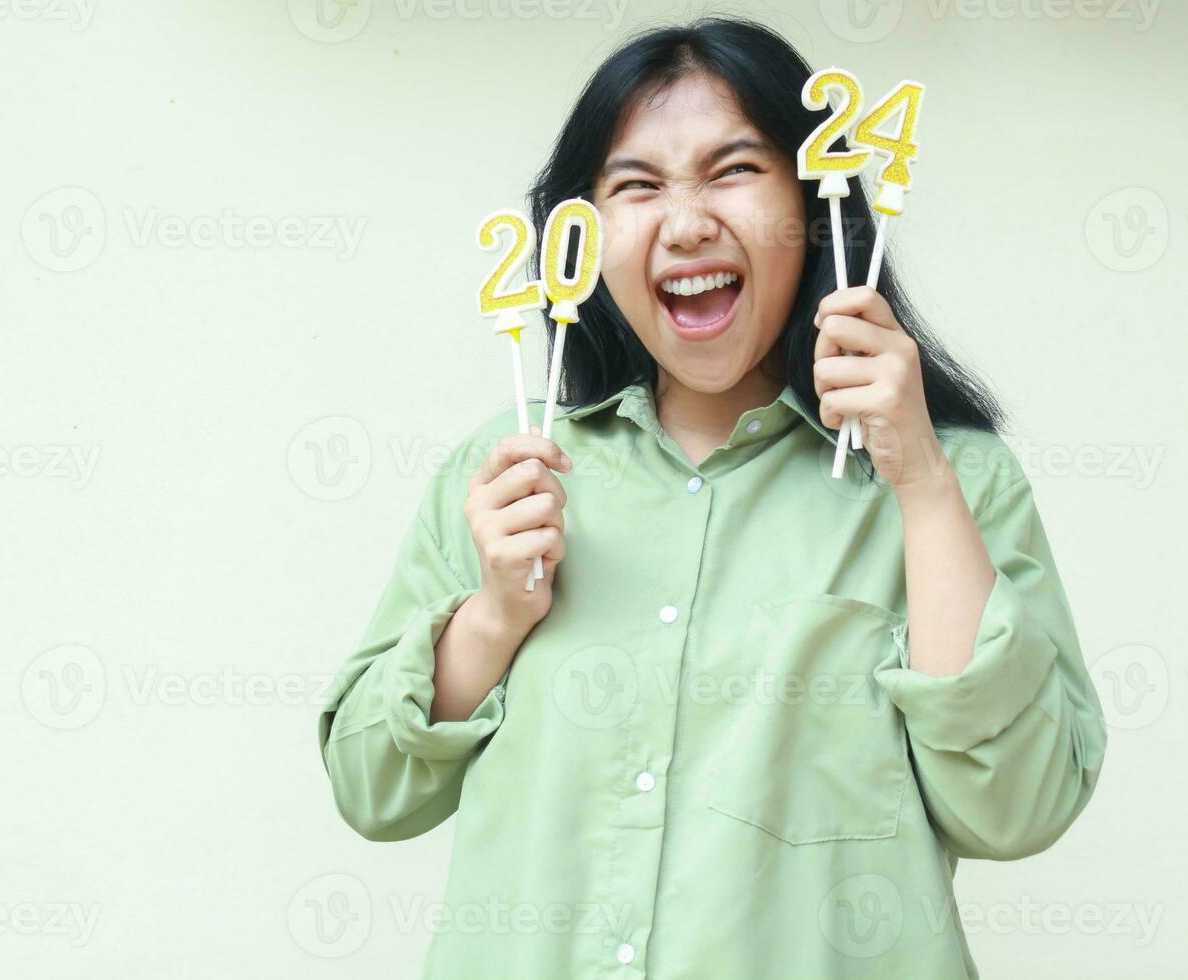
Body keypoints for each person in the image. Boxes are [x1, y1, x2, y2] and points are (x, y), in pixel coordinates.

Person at [317, 16, 1107, 979]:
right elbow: (371, 791)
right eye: (637, 186)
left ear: (814, 206)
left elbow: (1018, 810)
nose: (685, 222)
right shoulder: (507, 473)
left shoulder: (956, 482)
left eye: (733, 171)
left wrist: (922, 484)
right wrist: (491, 618)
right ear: (585, 234)